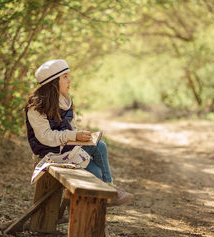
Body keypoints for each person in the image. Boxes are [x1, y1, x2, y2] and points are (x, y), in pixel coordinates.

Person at [24, 59, 133, 207]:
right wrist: (73, 136)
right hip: (51, 153)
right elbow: (45, 137)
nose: (70, 80)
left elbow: (71, 127)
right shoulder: (36, 106)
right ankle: (98, 198)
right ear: (54, 82)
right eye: (65, 77)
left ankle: (109, 185)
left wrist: (80, 135)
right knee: (95, 172)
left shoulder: (65, 101)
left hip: (66, 148)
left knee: (100, 146)